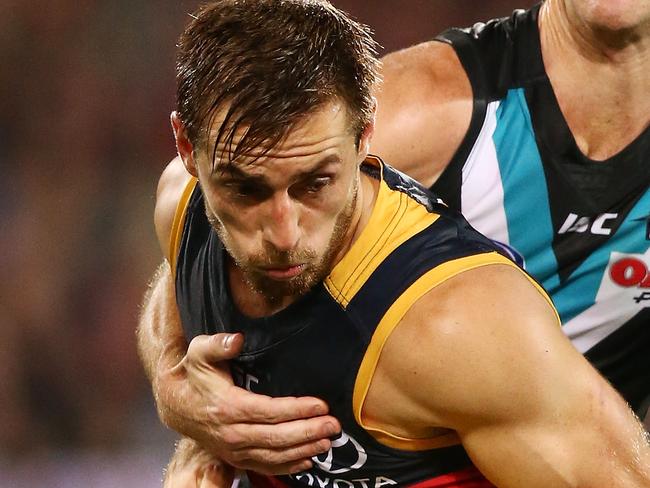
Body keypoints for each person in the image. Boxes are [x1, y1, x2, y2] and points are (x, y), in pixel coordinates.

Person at [139, 0, 650, 486]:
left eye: (313, 185)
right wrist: (180, 389)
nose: (283, 230)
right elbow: (212, 222)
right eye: (247, 188)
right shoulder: (422, 108)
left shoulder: (473, 326)